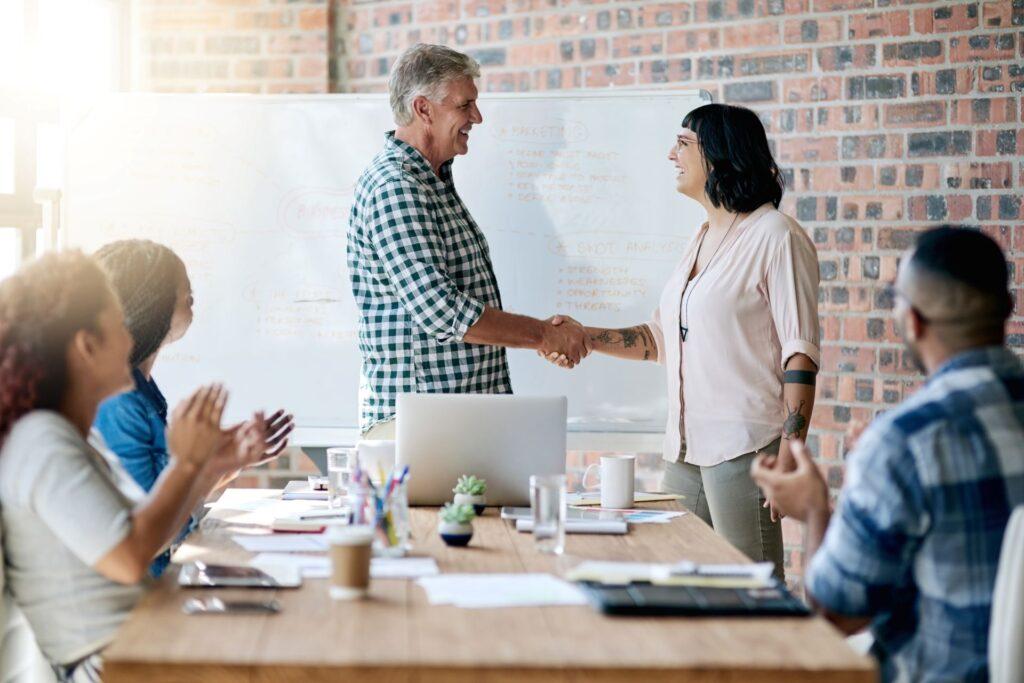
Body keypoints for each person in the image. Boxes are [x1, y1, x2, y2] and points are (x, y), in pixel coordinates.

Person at [546, 103, 820, 579]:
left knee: (748, 592)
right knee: (678, 581)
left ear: (719, 154)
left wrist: (790, 454)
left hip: (744, 450)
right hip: (685, 451)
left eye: (683, 144)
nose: (670, 154)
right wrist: (583, 336)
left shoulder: (776, 235)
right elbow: (660, 339)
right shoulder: (701, 237)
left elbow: (800, 351)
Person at [751, 226, 1024, 682]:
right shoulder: (903, 447)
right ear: (1006, 312)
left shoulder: (905, 443)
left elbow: (837, 614)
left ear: (913, 322)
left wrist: (815, 510)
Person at [0, 251, 267, 681]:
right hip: (115, 665)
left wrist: (206, 466)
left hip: (138, 643)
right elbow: (129, 557)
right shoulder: (42, 442)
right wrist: (185, 465)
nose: (131, 338)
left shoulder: (69, 435)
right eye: (118, 326)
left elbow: (151, 536)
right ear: (87, 347)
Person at [347, 43, 591, 439]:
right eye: (465, 105)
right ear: (423, 109)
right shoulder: (397, 186)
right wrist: (545, 335)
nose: (477, 116)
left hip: (450, 422)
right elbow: (440, 309)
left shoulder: (433, 180)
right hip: (424, 428)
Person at [92, 240, 293, 576]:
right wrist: (203, 463)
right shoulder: (119, 403)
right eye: (181, 289)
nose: (190, 293)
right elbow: (148, 536)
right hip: (139, 602)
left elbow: (169, 504)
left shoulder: (143, 390)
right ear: (150, 300)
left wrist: (222, 462)